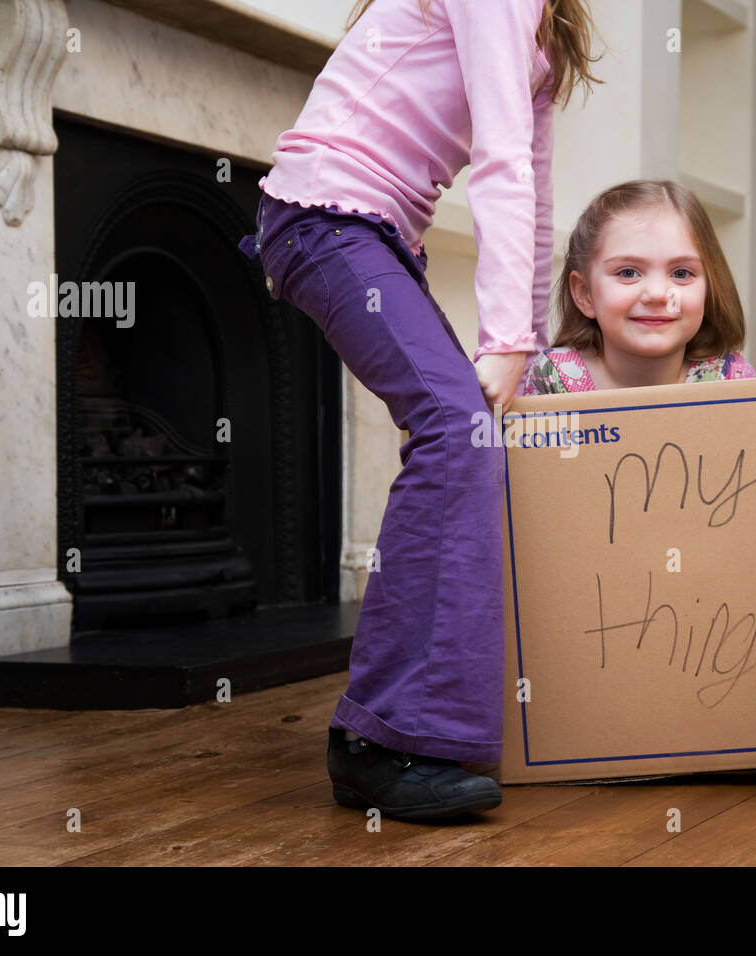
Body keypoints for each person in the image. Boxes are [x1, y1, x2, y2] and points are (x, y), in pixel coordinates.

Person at [237, 0, 600, 821]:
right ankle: (379, 740)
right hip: (323, 218)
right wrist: (504, 332)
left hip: (370, 235)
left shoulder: (546, 28)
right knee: (455, 429)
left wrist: (530, 350)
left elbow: (534, 190)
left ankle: (406, 729)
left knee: (466, 436)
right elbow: (499, 161)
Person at [524, 180, 755, 395]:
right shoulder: (554, 377)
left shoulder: (730, 380)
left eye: (681, 273)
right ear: (585, 294)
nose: (656, 294)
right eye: (628, 273)